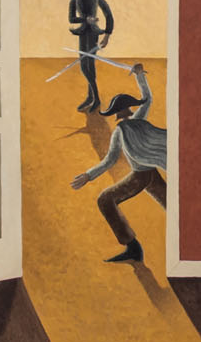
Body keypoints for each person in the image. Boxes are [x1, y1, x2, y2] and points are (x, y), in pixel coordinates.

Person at [71, 63, 167, 264]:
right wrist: (139, 75)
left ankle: (133, 248)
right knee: (173, 206)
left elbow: (109, 161)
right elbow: (148, 99)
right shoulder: (139, 120)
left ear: (116, 112)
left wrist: (88, 175)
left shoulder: (120, 132)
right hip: (150, 174)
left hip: (140, 177)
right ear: (130, 108)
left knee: (105, 200)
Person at [68, 0, 116, 114]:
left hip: (93, 34)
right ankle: (93, 97)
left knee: (90, 65)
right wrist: (86, 20)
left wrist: (107, 36)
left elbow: (109, 15)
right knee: (84, 66)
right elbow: (71, 19)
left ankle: (94, 98)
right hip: (82, 33)